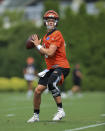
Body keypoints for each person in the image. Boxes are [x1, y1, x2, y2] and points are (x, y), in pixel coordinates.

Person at [27, 10, 70, 122]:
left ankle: (61, 111)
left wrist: (38, 45)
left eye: (53, 20)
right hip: (51, 68)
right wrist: (38, 46)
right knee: (37, 91)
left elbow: (50, 52)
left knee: (51, 83)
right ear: (45, 22)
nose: (50, 22)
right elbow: (43, 53)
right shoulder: (46, 37)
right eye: (48, 20)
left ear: (56, 22)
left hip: (61, 66)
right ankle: (36, 116)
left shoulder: (57, 34)